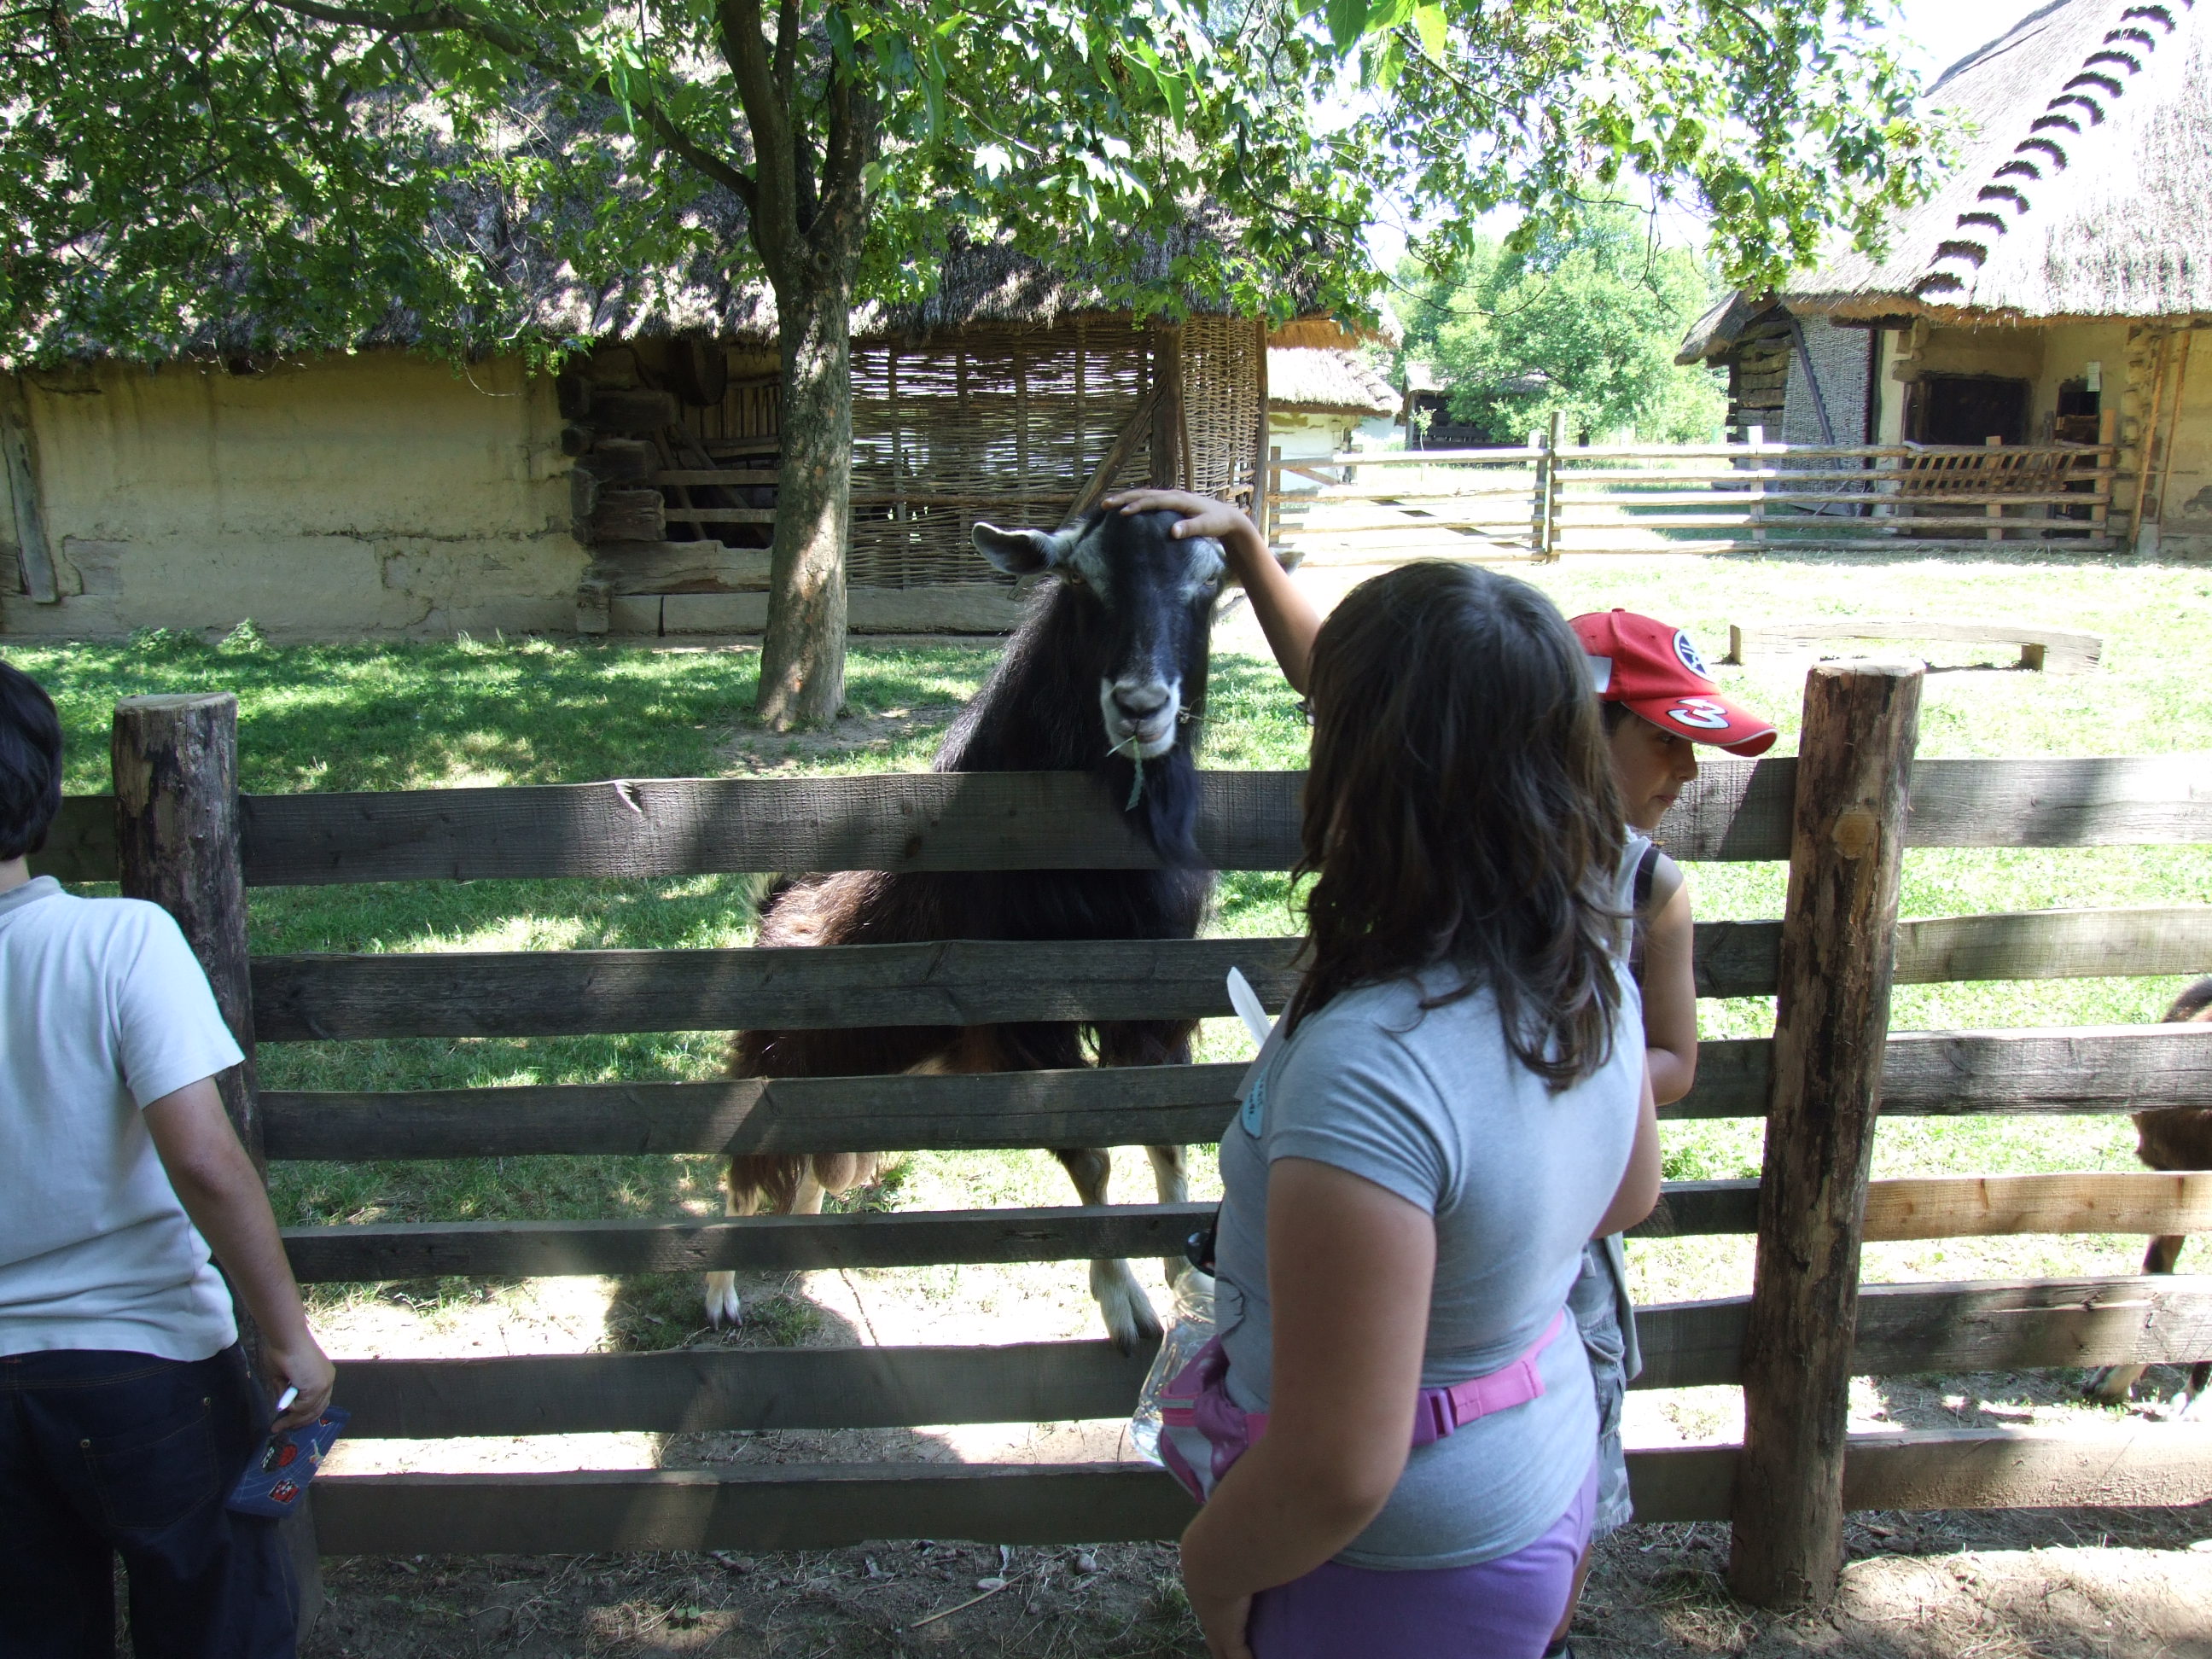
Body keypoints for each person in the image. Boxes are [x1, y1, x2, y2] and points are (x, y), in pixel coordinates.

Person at [1105, 491, 1772, 1656]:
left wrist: (1210, 1574)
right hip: (1539, 1478)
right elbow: (1628, 1194)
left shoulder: (1373, 1067)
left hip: (1392, 1564)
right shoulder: (1583, 952)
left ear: (1367, 767)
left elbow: (1335, 1471)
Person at [0, 659, 335, 1659]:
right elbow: (205, 1159)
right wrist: (289, 1337)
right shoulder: (120, 942)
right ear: (41, 788)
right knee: (215, 1623)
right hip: (150, 1371)